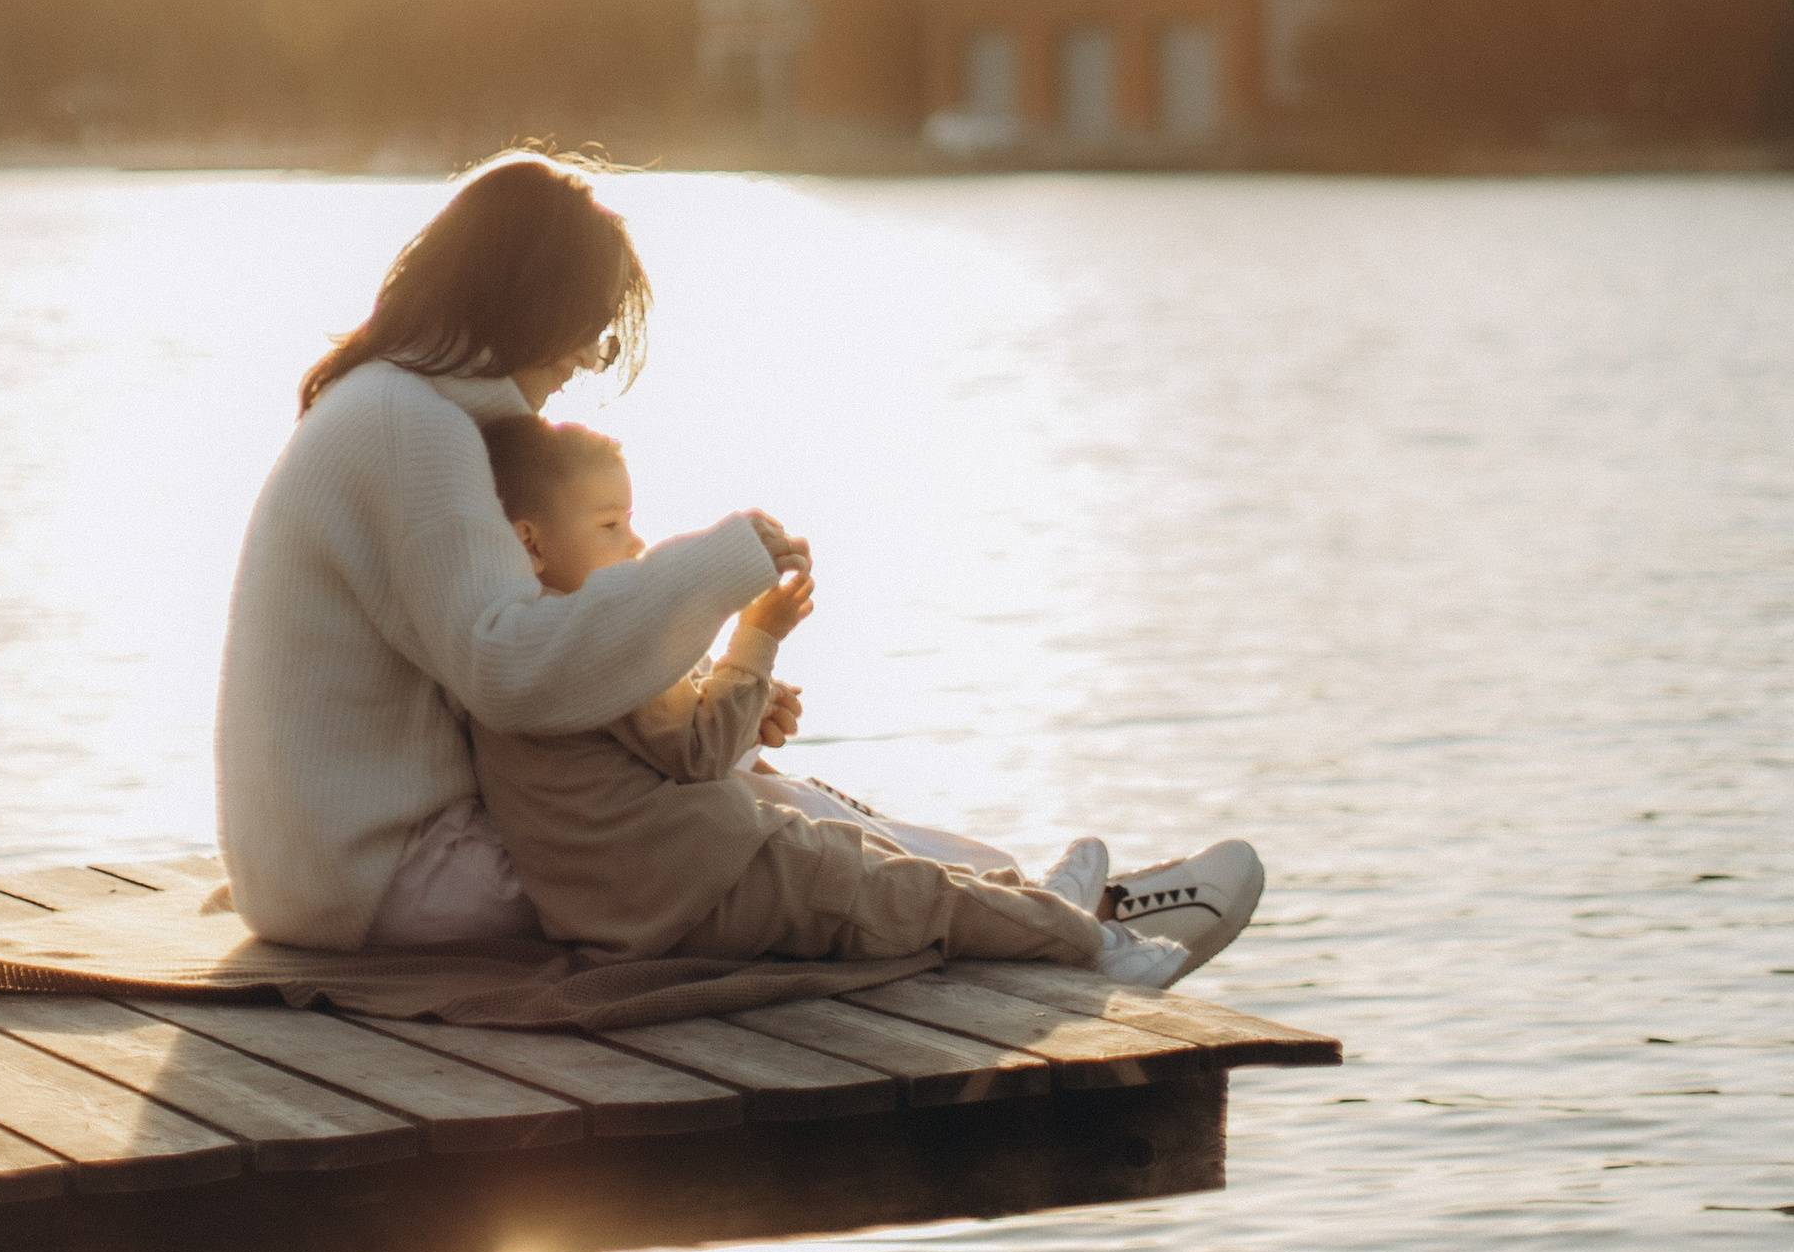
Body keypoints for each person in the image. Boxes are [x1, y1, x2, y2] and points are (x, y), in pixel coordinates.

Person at [214, 154, 802, 949]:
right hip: (384, 874)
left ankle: (987, 891)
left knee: (753, 794)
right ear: (532, 301)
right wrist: (715, 569)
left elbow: (510, 656)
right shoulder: (411, 426)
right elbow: (511, 669)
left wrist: (713, 692)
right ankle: (1002, 904)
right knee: (752, 838)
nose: (584, 360)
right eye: (588, 329)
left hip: (325, 870)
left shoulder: (393, 402)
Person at [472, 414, 1260, 986]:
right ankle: (1093, 947)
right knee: (909, 893)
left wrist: (739, 694)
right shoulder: (593, 638)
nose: (636, 546)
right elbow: (702, 752)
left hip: (638, 901)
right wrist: (757, 636)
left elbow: (660, 740)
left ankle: (1038, 907)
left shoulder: (523, 641)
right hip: (704, 880)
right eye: (611, 526)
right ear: (534, 543)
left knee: (892, 871)